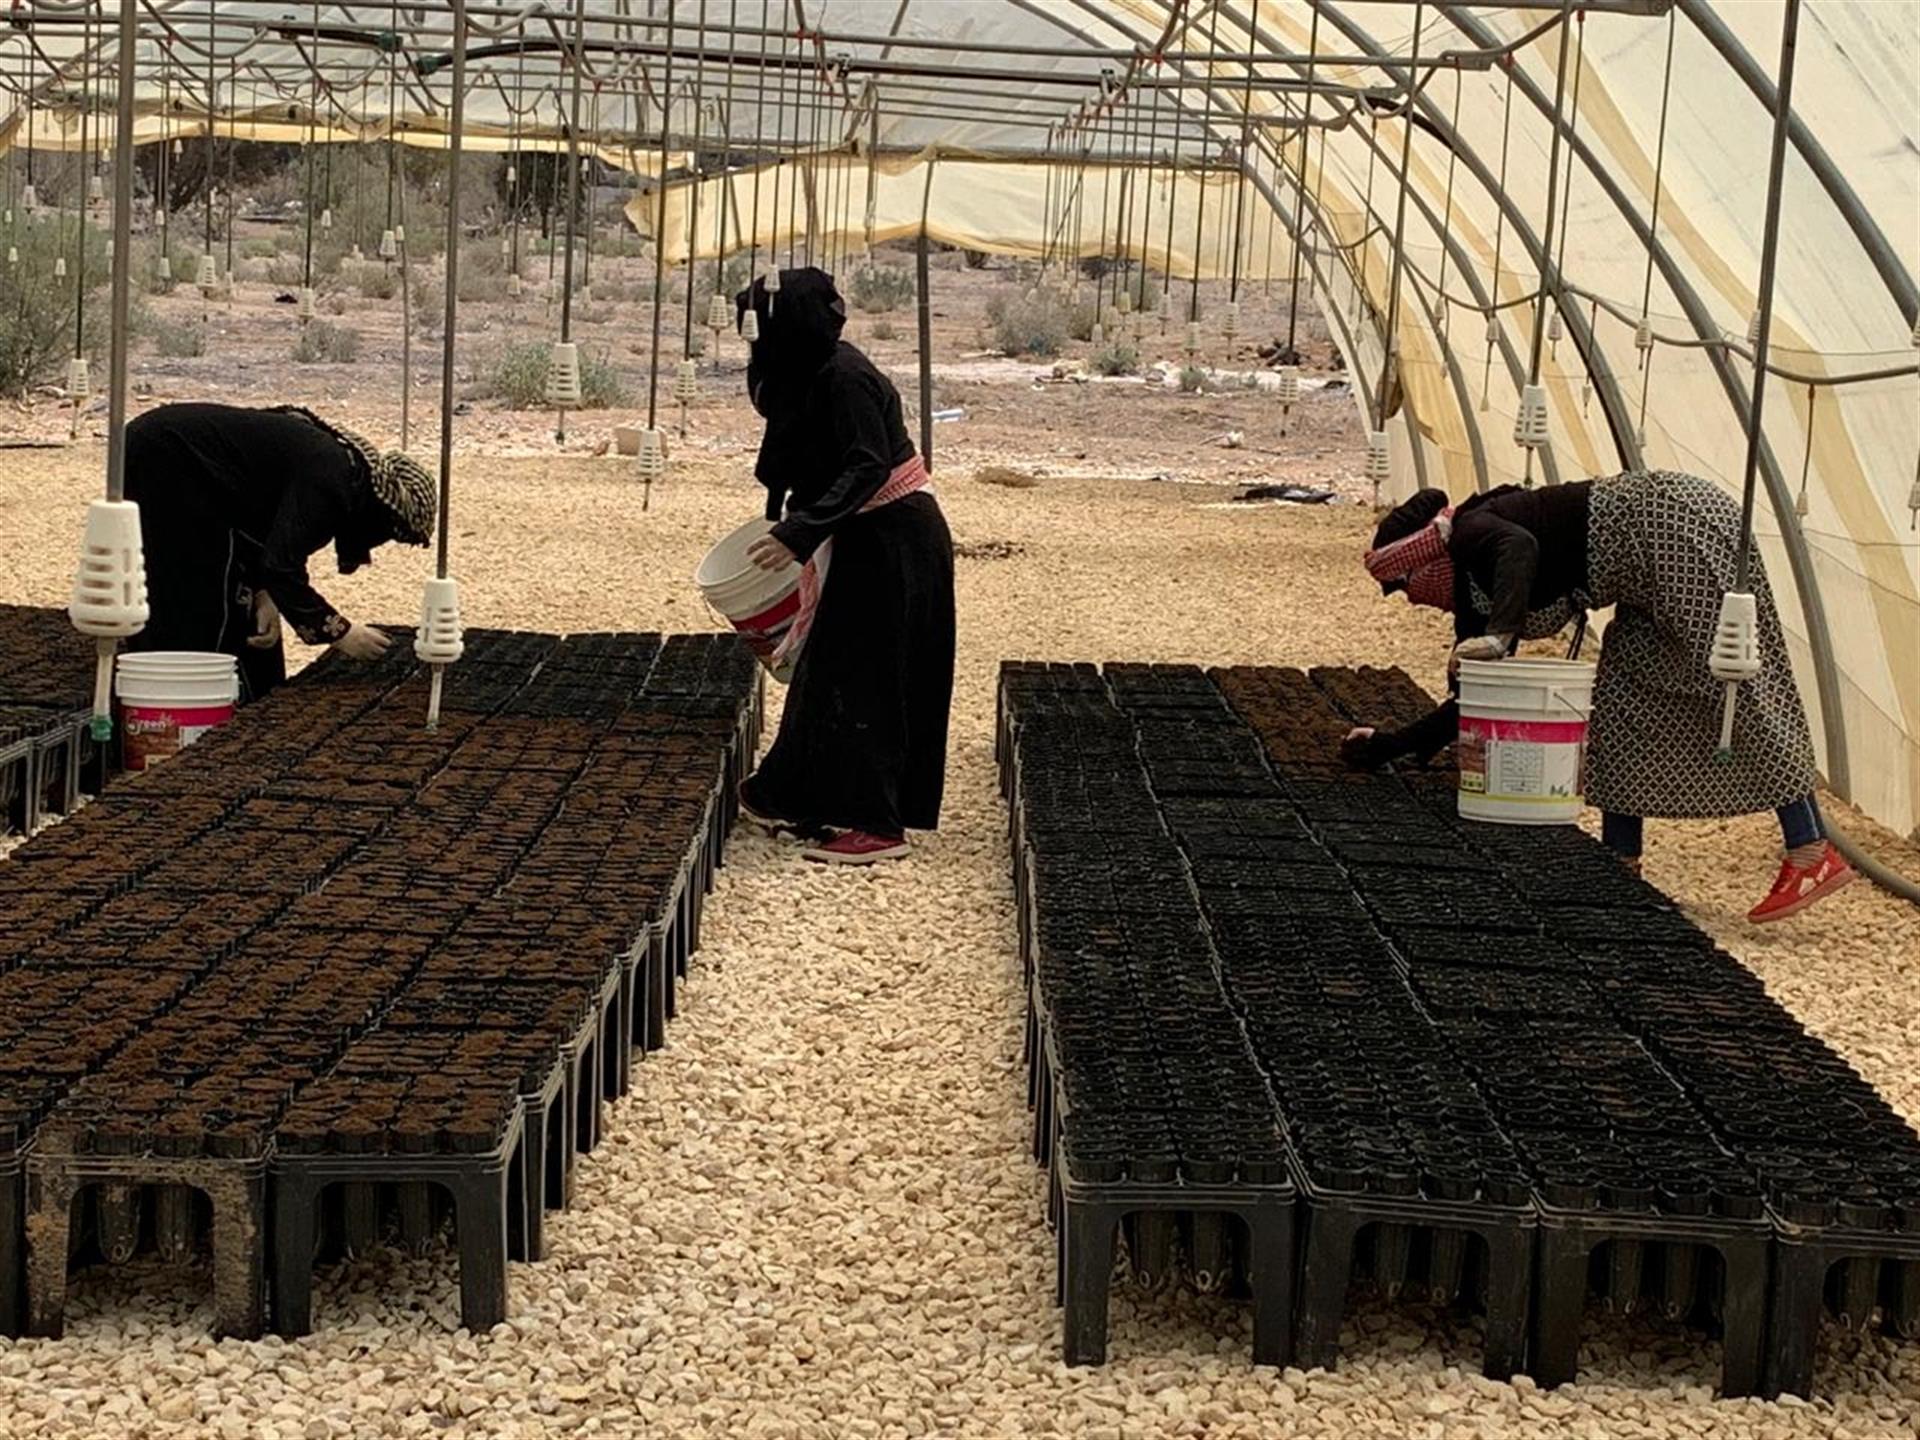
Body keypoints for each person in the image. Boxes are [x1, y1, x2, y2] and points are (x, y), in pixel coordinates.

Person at [1342, 472, 1854, 923]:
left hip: (1673, 524)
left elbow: (1518, 551)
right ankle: (1619, 863)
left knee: (1729, 680)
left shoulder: (1472, 532)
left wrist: (1500, 638)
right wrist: (1388, 746)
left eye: (1402, 586)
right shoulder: (1476, 593)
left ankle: (1809, 848)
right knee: (1620, 702)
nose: (1409, 599)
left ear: (1421, 558)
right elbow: (1473, 698)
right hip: (1639, 575)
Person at [730, 266, 955, 866]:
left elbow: (866, 468)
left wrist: (798, 533)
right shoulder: (806, 368)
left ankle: (877, 824)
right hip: (859, 531)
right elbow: (786, 429)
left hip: (894, 538)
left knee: (871, 678)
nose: (754, 342)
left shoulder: (845, 377)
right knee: (827, 667)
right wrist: (787, 517)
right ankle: (788, 790)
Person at [123, 402, 436, 699]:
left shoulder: (337, 466)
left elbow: (260, 518)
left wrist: (264, 594)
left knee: (240, 613)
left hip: (174, 458)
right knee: (203, 608)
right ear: (381, 513)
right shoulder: (333, 478)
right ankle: (187, 708)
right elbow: (281, 566)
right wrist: (340, 632)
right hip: (168, 459)